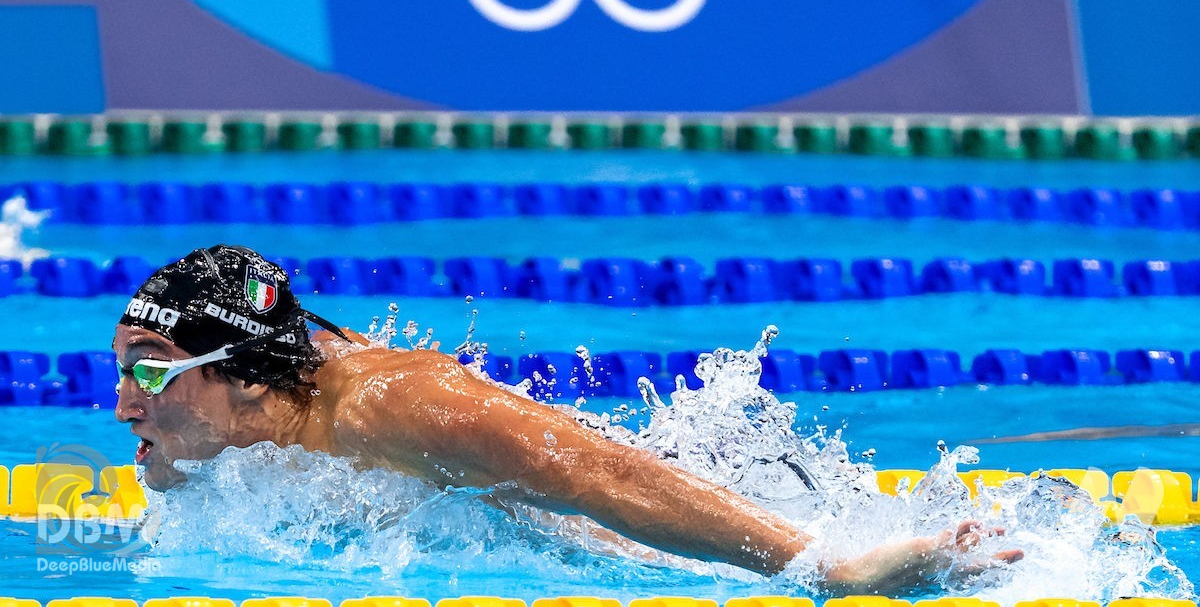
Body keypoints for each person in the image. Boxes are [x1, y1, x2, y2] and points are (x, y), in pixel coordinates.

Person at [113, 245, 1021, 592]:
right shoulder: (239, 414)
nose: (124, 404)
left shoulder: (393, 408)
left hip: (648, 521)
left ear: (239, 375)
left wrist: (830, 568)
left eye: (148, 373)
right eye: (120, 371)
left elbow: (602, 476)